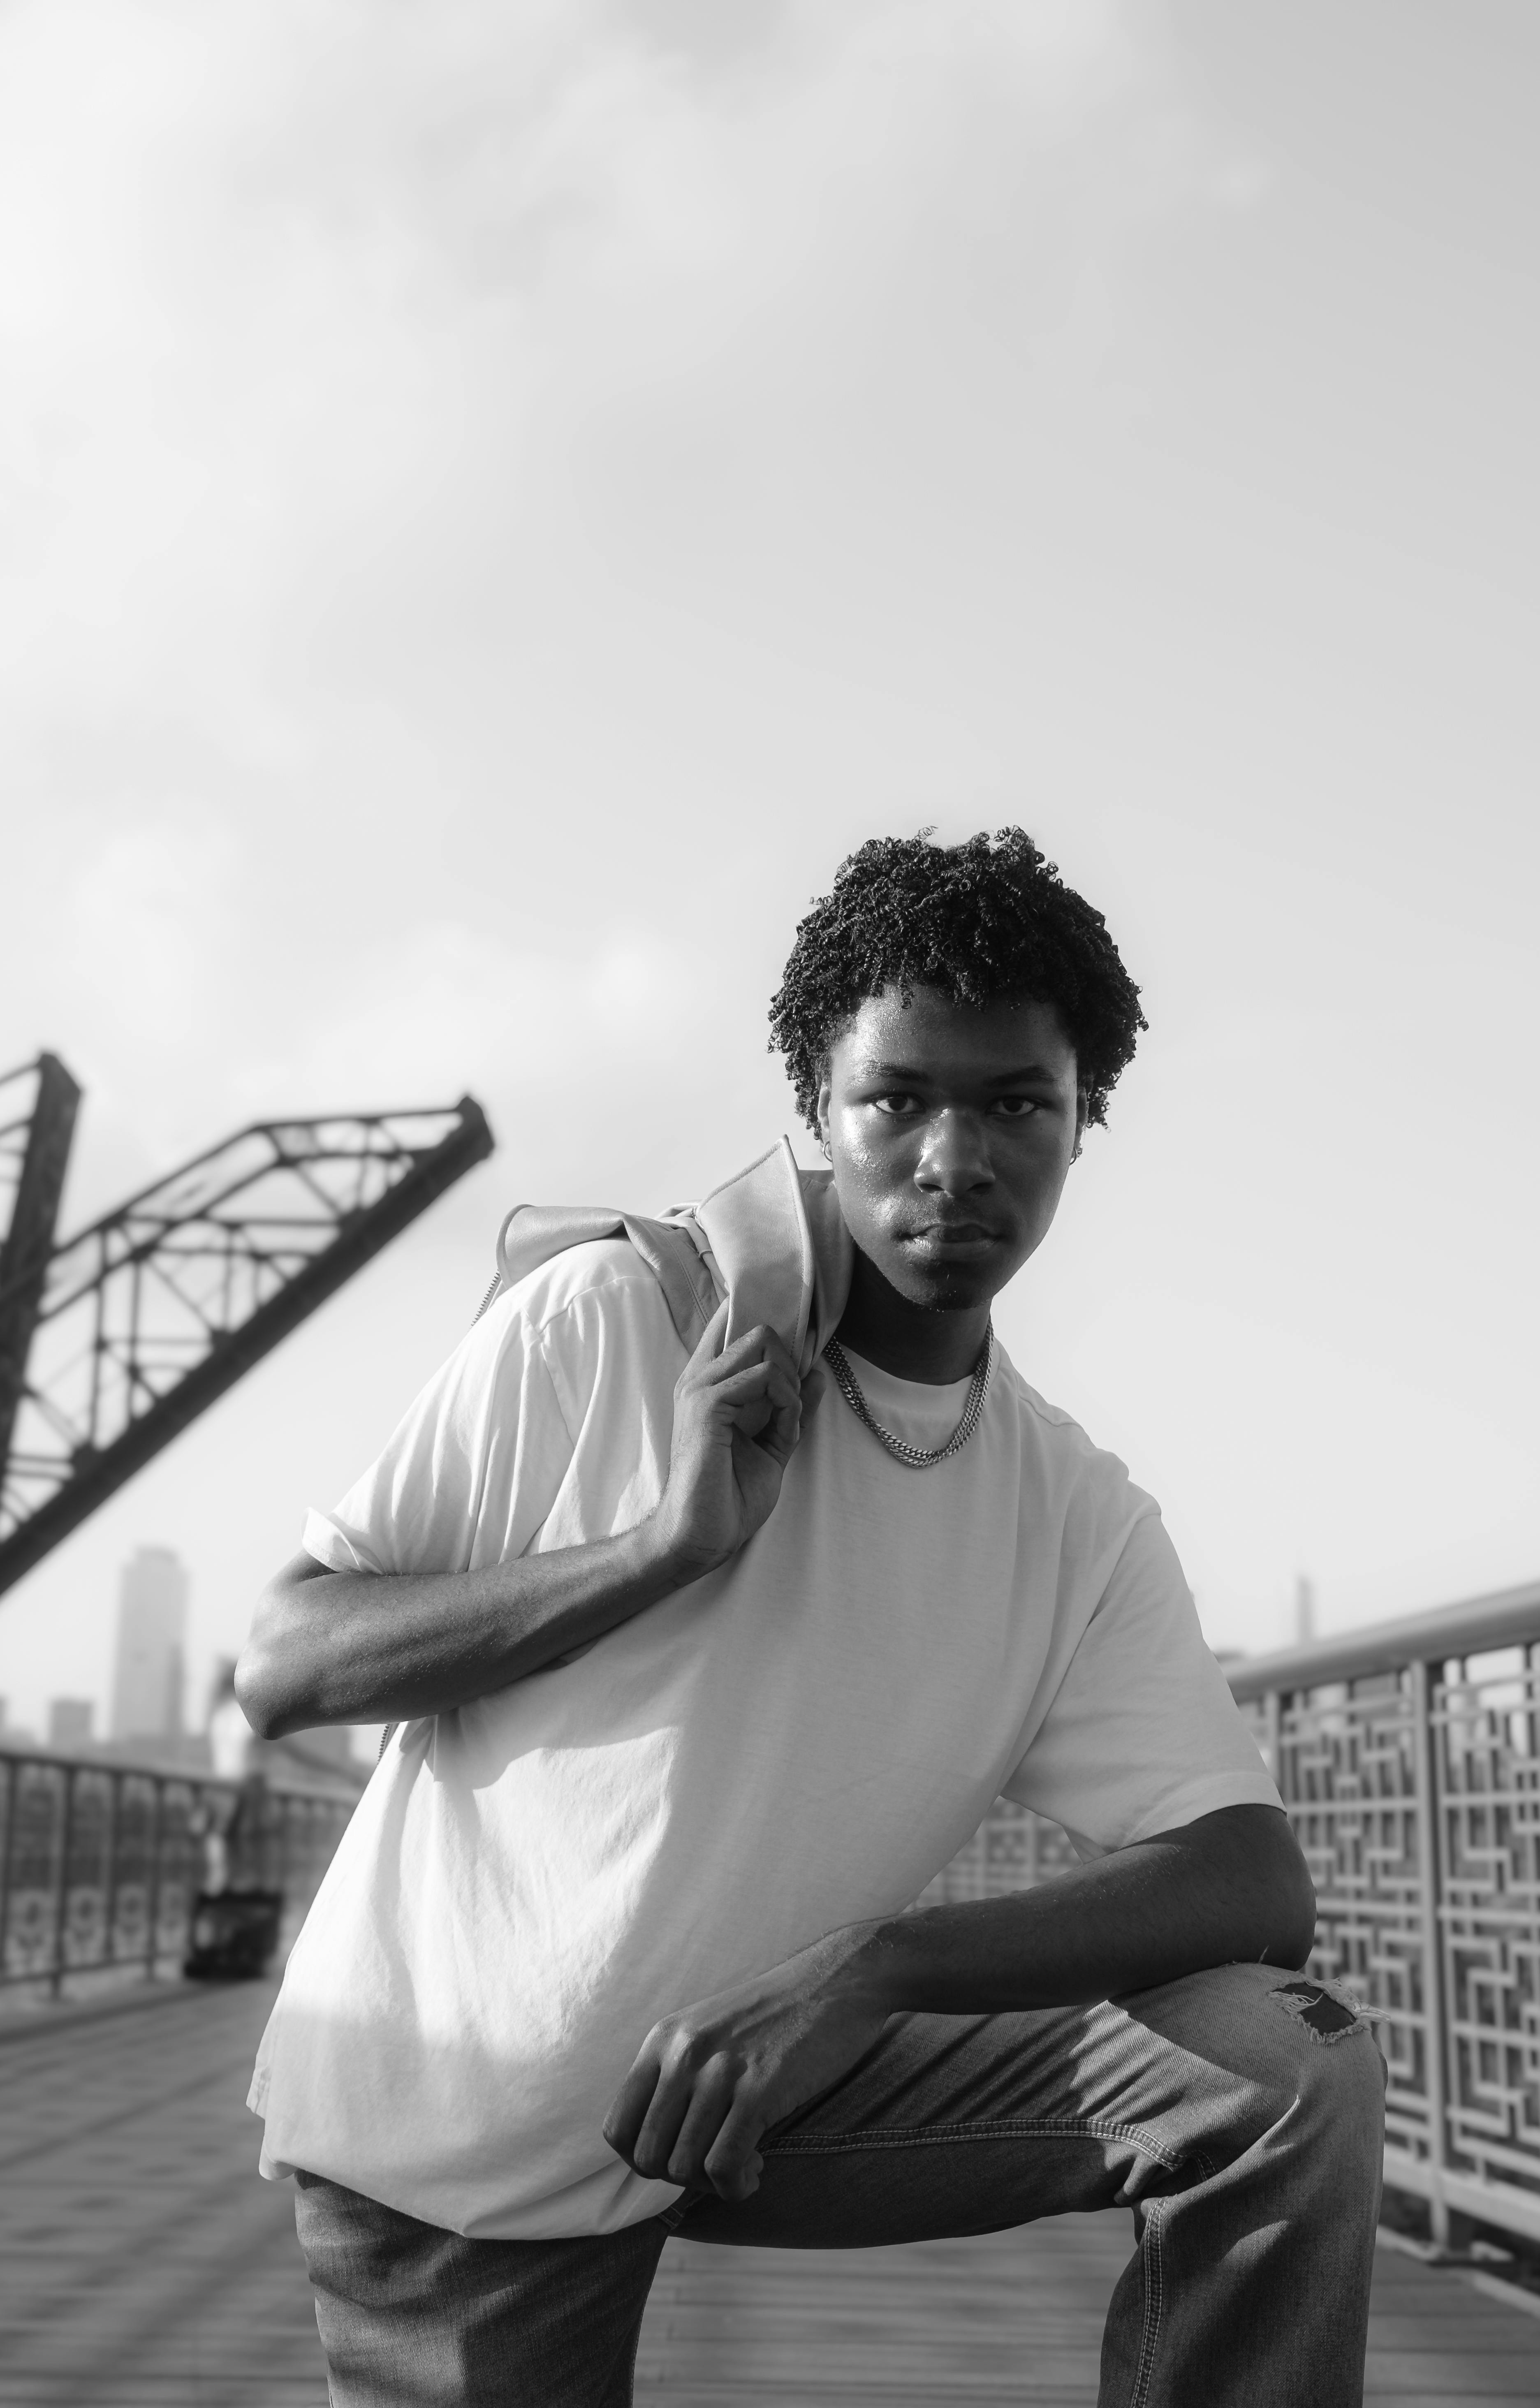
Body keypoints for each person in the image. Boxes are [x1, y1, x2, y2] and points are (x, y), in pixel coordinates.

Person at [238, 829, 1383, 2408]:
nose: (953, 1157)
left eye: (1014, 1104)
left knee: (1285, 2062)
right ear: (816, 1116)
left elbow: (1250, 1874)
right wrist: (659, 1545)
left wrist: (869, 1966)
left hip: (780, 2078)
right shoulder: (620, 1320)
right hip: (479, 2114)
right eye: (897, 1099)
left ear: (1081, 1122)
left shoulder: (1071, 1508)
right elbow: (284, 1666)